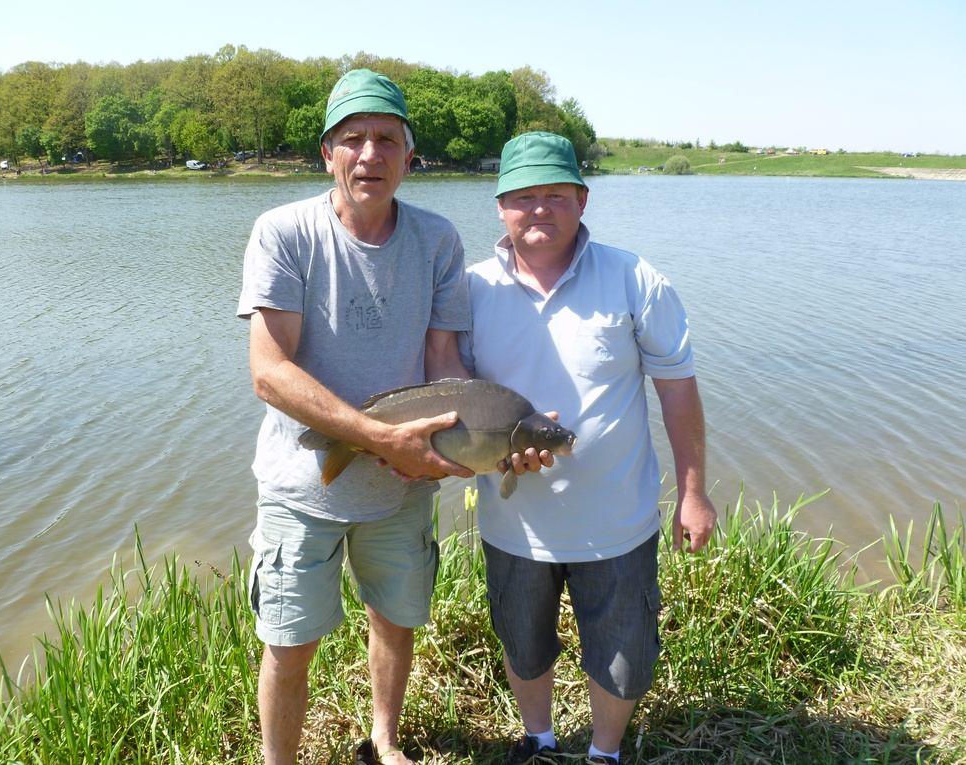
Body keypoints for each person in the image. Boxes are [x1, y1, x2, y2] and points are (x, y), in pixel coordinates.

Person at [237, 69, 475, 765]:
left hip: (400, 488)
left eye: (386, 140)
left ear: (408, 157)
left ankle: (385, 739)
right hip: (298, 482)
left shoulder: (438, 240)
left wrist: (474, 443)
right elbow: (268, 372)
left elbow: (444, 363)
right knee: (289, 641)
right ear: (328, 155)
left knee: (396, 618)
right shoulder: (283, 232)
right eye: (353, 139)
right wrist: (378, 438)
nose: (369, 154)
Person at [460, 132, 718, 764]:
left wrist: (693, 492)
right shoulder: (468, 288)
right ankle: (540, 740)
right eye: (523, 196)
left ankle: (605, 752)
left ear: (582, 198)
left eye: (555, 194)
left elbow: (678, 392)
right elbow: (451, 397)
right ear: (500, 206)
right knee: (523, 644)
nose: (539, 208)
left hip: (618, 522)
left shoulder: (634, 279)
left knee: (625, 655)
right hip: (512, 522)